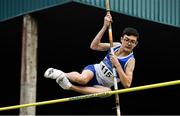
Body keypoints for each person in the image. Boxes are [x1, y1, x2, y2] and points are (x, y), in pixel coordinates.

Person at [44, 13, 139, 95]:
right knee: (82, 79)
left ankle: (69, 86)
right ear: (122, 39)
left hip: (101, 86)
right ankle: (59, 73)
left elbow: (127, 84)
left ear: (135, 44)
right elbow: (94, 46)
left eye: (132, 41)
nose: (129, 43)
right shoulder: (115, 45)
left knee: (108, 92)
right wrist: (105, 27)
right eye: (127, 40)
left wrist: (117, 65)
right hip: (94, 71)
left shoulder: (130, 60)